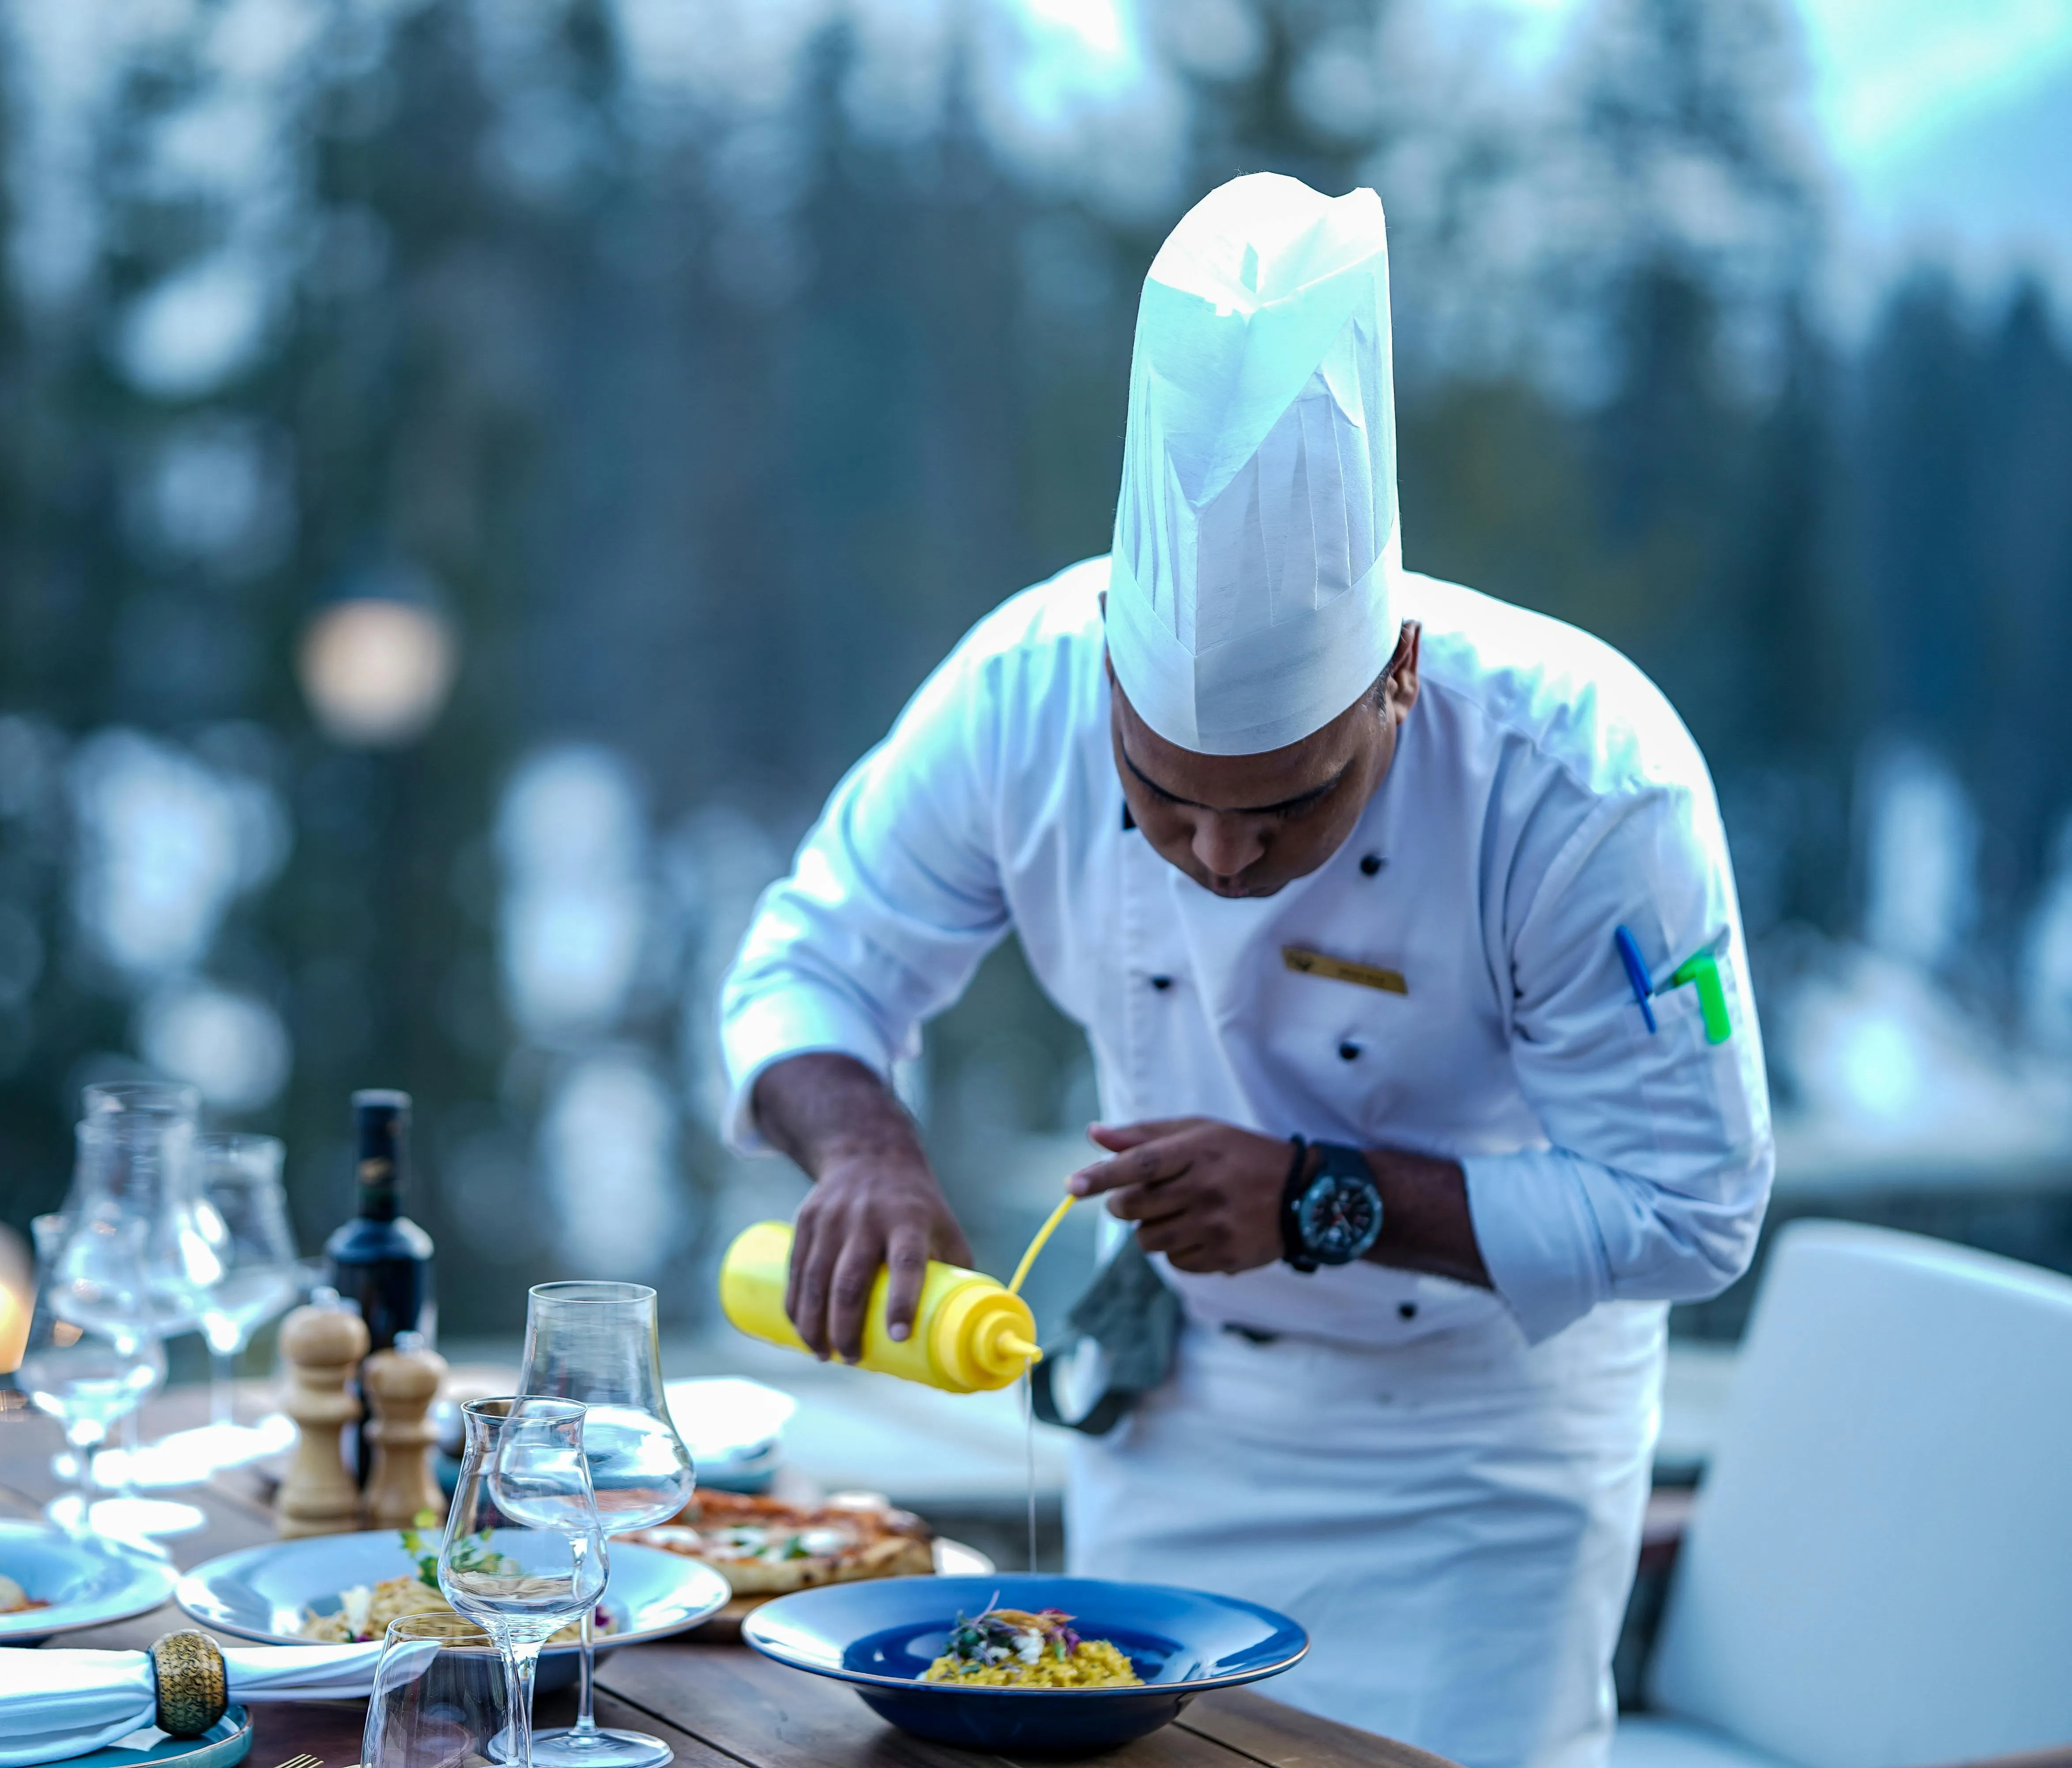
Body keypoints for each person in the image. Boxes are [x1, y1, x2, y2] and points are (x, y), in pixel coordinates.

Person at [717, 172, 1773, 1768]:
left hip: (1478, 1458)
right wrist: (861, 1145)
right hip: (1173, 1412)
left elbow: (1693, 1207)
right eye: (1160, 795)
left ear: (1398, 675)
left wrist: (1319, 1196)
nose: (1218, 856)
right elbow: (810, 964)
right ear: (1107, 671)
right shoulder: (1017, 693)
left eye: (1287, 805)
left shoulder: (1586, 783)